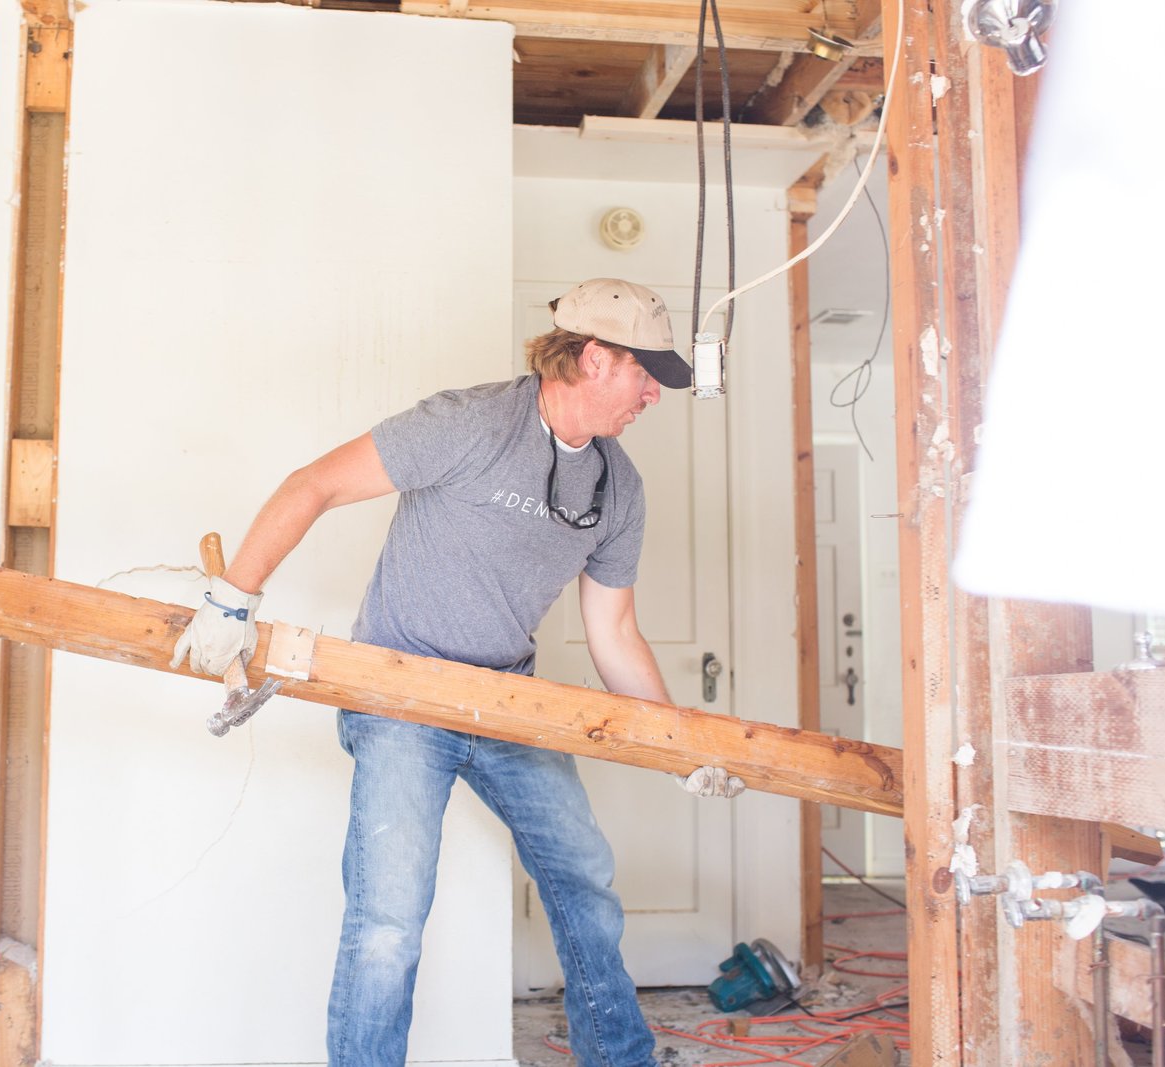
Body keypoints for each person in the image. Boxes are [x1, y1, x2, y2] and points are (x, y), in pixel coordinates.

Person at [172, 278, 741, 1066]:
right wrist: (232, 598)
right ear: (596, 358)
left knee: (585, 881)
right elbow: (316, 484)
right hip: (398, 697)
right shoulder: (470, 423)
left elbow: (614, 632)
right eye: (645, 374)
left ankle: (619, 1058)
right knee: (389, 919)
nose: (654, 394)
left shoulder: (619, 489)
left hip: (507, 700)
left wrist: (679, 745)